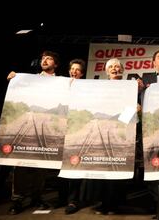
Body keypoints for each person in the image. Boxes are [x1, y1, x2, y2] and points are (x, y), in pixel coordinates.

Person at [7, 50, 60, 215]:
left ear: (56, 64)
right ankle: (17, 200)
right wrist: (14, 79)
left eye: (49, 58)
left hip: (46, 127)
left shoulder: (61, 82)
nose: (45, 60)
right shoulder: (29, 80)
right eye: (43, 58)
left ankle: (37, 197)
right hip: (28, 125)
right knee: (20, 165)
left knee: (41, 166)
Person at [91, 58, 127, 215]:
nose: (114, 69)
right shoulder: (100, 88)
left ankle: (114, 204)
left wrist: (120, 123)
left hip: (122, 130)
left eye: (117, 67)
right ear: (106, 71)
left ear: (122, 70)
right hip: (103, 130)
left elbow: (133, 107)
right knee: (103, 167)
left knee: (117, 168)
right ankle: (103, 202)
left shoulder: (129, 87)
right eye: (111, 67)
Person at [63, 59, 88, 215]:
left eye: (77, 70)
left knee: (74, 165)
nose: (74, 71)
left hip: (77, 130)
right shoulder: (61, 85)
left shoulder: (86, 88)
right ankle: (62, 198)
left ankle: (73, 200)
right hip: (61, 129)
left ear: (82, 73)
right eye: (72, 69)